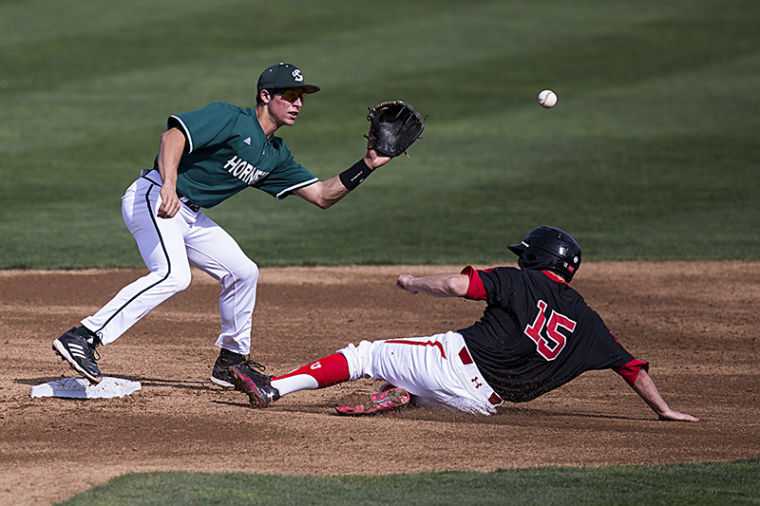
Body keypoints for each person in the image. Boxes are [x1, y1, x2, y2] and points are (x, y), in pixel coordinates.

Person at [52, 62, 395, 388]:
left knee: (243, 272)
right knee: (174, 275)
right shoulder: (231, 118)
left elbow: (322, 195)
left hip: (190, 215)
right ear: (265, 96)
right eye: (289, 96)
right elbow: (172, 137)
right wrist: (169, 184)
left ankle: (231, 361)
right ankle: (83, 336)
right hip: (155, 196)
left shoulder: (276, 153)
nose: (298, 104)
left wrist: (368, 164)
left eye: (301, 97)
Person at [229, 226, 699, 421]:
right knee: (418, 370)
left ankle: (274, 388)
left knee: (365, 353)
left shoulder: (519, 280)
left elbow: (457, 286)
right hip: (479, 405)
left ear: (537, 258)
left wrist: (412, 281)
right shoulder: (591, 322)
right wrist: (663, 410)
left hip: (450, 365)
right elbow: (632, 367)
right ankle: (405, 393)